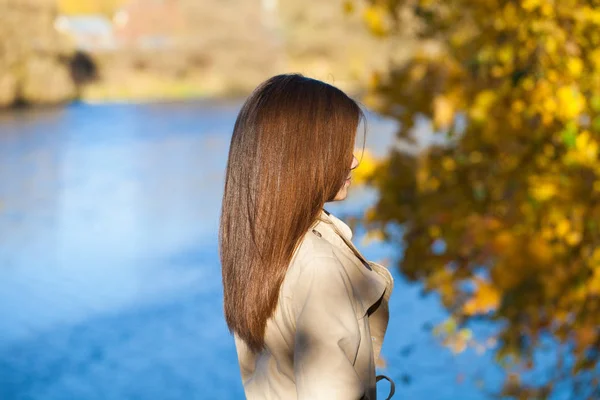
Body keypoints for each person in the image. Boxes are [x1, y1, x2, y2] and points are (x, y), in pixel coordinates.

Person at [219, 73, 395, 399]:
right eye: (342, 146)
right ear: (304, 156)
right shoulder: (319, 266)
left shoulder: (261, 245)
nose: (354, 160)